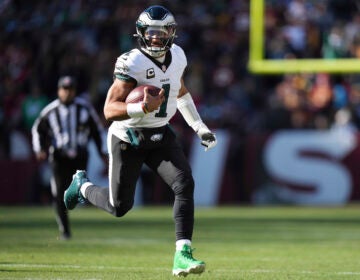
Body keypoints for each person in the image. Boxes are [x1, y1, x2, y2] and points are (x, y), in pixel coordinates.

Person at [64, 5, 217, 277]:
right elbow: (110, 109)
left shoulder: (178, 55)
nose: (156, 38)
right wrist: (140, 109)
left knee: (184, 183)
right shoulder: (131, 61)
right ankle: (82, 186)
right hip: (129, 138)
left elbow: (180, 92)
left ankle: (182, 254)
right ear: (141, 33)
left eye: (162, 32)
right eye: (151, 32)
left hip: (160, 133)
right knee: (119, 207)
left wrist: (199, 126)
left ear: (172, 33)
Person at [32, 75, 106, 240]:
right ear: (59, 90)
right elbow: (37, 129)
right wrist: (40, 149)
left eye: (71, 89)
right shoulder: (51, 110)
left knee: (81, 187)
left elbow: (97, 130)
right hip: (58, 155)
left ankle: (82, 202)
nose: (68, 93)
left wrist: (102, 150)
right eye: (65, 89)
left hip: (80, 154)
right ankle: (65, 230)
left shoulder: (84, 108)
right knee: (58, 192)